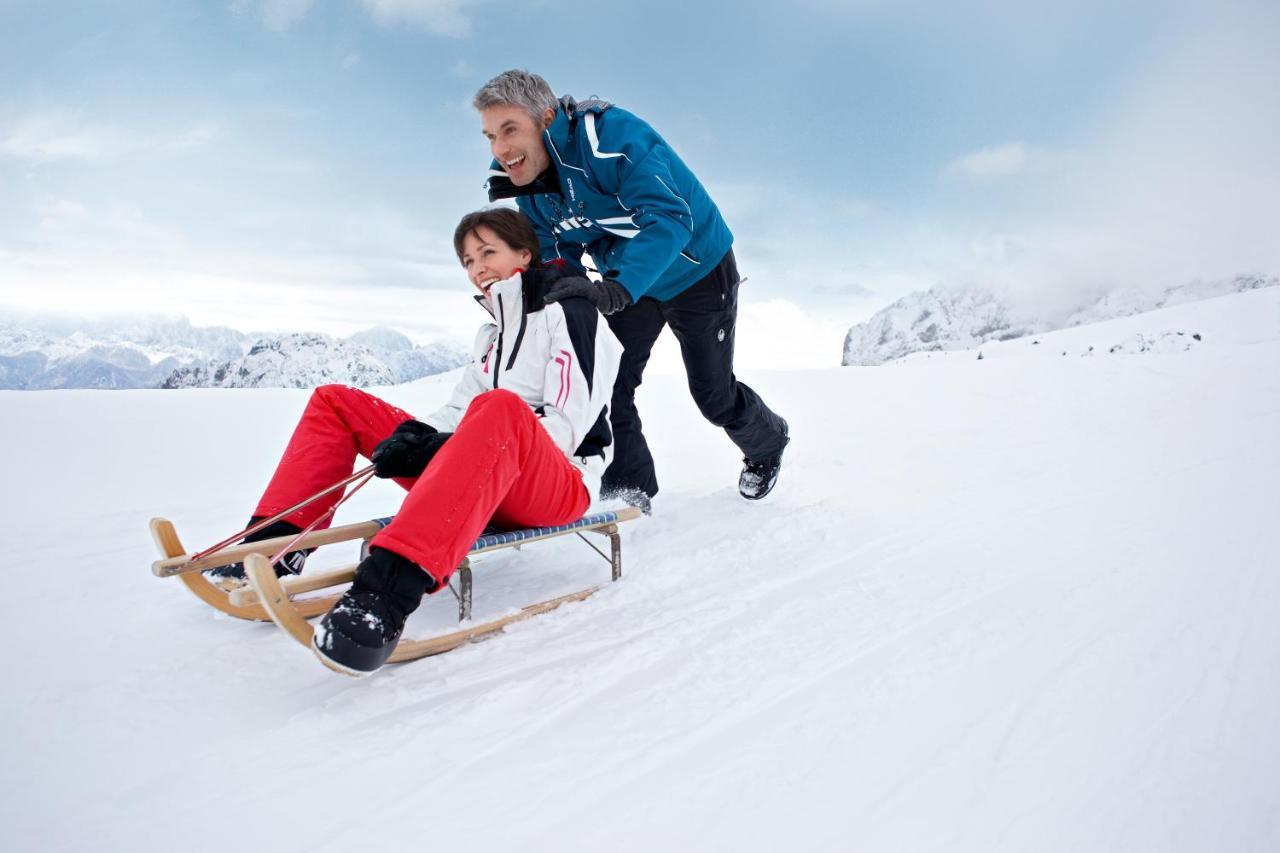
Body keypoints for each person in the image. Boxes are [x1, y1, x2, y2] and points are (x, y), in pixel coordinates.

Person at [207, 208, 623, 675]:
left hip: (557, 486)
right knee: (336, 402)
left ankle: (383, 599)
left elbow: (567, 426)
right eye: (467, 260)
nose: (477, 268)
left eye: (489, 252)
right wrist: (417, 437)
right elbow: (459, 408)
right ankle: (274, 546)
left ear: (524, 254)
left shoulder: (572, 314)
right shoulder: (493, 333)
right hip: (485, 474)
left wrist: (455, 442)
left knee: (501, 408)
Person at [474, 69, 790, 511]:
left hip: (695, 270)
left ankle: (767, 443)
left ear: (545, 118)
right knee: (606, 385)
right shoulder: (528, 185)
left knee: (713, 396)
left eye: (510, 129)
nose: (500, 149)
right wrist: (544, 297)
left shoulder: (612, 138)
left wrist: (619, 288)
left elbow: (669, 218)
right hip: (625, 281)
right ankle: (629, 492)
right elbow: (550, 249)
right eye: (490, 135)